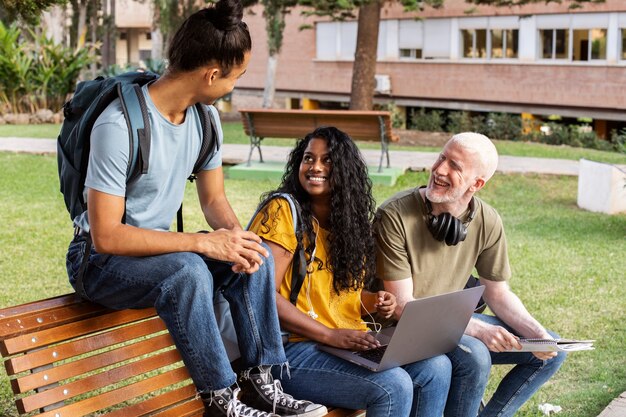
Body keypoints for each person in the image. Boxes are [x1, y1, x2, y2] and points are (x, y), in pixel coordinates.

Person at [63, 2, 326, 416]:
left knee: (250, 253)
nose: (235, 86)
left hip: (162, 254)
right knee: (187, 269)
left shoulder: (204, 120)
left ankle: (263, 383)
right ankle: (222, 400)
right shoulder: (118, 126)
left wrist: (236, 242)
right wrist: (204, 245)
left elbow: (214, 200)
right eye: (237, 77)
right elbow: (107, 235)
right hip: (98, 262)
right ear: (211, 75)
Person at [248, 126, 452, 417]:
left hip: (343, 346)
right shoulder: (283, 210)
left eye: (327, 160)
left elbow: (337, 299)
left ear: (345, 170)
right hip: (289, 351)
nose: (315, 167)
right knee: (393, 386)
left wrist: (375, 303)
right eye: (308, 158)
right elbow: (261, 294)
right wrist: (330, 335)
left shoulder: (349, 225)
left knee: (436, 367)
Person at [373, 132, 567, 417]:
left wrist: (536, 333)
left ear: (477, 184)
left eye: (454, 166)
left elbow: (497, 292)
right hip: (401, 327)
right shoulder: (394, 215)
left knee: (553, 350)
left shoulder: (487, 220)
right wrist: (477, 329)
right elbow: (403, 306)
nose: (439, 170)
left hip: (451, 323)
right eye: (441, 158)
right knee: (474, 355)